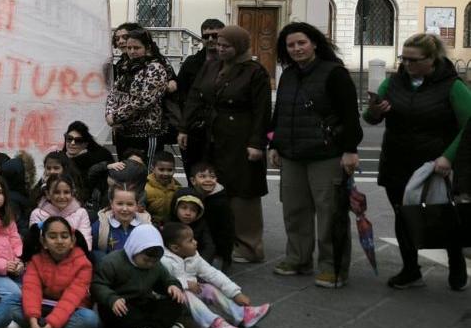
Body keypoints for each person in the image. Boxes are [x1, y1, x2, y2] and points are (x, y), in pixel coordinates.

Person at [364, 32, 471, 291]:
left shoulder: (452, 86)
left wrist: (448, 157)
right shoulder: (393, 83)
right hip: (397, 159)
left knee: (443, 215)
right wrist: (376, 111)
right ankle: (410, 269)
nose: (406, 65)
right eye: (404, 59)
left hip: (435, 164)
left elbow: (468, 126)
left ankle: (456, 263)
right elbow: (370, 118)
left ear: (432, 60)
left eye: (413, 60)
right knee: (403, 215)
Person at [268, 22, 364, 288]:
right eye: (291, 45)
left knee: (330, 212)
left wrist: (350, 150)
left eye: (302, 43)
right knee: (294, 210)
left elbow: (349, 115)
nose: (297, 48)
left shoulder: (335, 74)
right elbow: (280, 114)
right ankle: (298, 258)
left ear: (315, 43)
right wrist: (274, 144)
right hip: (292, 154)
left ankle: (332, 266)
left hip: (326, 154)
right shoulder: (287, 75)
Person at [178, 25, 271, 264]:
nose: (220, 48)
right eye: (218, 44)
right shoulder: (211, 66)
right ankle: (221, 241)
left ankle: (250, 245)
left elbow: (262, 110)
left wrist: (257, 143)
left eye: (226, 46)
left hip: (241, 137)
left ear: (239, 47)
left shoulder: (254, 72)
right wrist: (185, 127)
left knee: (242, 191)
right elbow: (195, 97)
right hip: (213, 136)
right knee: (214, 188)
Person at [160, 222, 270, 328]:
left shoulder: (193, 256)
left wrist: (236, 293)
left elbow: (213, 274)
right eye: (190, 241)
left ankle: (243, 315)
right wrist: (184, 284)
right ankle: (213, 325)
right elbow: (161, 282)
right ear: (175, 248)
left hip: (193, 297)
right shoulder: (164, 260)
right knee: (185, 293)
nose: (195, 242)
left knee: (209, 288)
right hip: (170, 302)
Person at [90, 224, 186, 328]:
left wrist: (172, 286)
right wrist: (112, 298)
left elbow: (166, 279)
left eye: (154, 261)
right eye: (146, 260)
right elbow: (97, 285)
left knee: (176, 302)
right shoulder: (112, 261)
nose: (150, 264)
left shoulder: (156, 265)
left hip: (144, 302)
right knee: (121, 315)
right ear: (135, 249)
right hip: (119, 305)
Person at [22, 217, 98, 328]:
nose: (59, 241)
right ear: (43, 242)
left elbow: (70, 301)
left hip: (70, 311)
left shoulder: (84, 264)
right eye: (52, 236)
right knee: (11, 303)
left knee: (90, 319)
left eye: (64, 236)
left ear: (72, 241)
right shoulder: (36, 260)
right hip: (41, 308)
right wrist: (33, 321)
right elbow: (31, 291)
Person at [106, 27, 171, 167]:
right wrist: (109, 113)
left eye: (136, 47)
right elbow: (113, 93)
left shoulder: (155, 68)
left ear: (147, 47)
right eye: (129, 48)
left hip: (146, 134)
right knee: (126, 173)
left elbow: (144, 100)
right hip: (123, 132)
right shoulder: (124, 67)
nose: (132, 52)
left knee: (144, 174)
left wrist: (116, 116)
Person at [175, 19, 225, 182]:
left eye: (215, 35)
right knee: (194, 173)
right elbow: (182, 95)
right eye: (206, 36)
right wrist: (184, 126)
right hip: (194, 128)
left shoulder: (231, 63)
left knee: (218, 175)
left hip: (220, 128)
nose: (210, 39)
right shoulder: (191, 63)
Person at [61, 122, 114, 212]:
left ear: (85, 144)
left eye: (78, 140)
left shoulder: (99, 158)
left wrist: (75, 160)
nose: (72, 143)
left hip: (93, 208)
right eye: (69, 139)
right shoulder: (60, 159)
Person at [28, 178, 92, 252]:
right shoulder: (37, 214)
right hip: (45, 257)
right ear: (48, 194)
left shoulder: (81, 213)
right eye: (57, 192)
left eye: (66, 192)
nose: (62, 197)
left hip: (74, 257)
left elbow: (86, 243)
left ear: (72, 193)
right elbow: (35, 243)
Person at [92, 185, 151, 261]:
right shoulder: (100, 227)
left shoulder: (146, 226)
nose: (125, 209)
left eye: (130, 204)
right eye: (120, 204)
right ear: (112, 204)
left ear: (137, 205)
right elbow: (91, 251)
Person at [145, 150, 182, 225]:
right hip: (149, 226)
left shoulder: (178, 189)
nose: (165, 173)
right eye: (161, 169)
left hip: (171, 226)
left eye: (170, 170)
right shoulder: (144, 188)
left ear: (174, 170)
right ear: (153, 169)